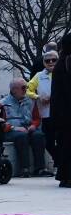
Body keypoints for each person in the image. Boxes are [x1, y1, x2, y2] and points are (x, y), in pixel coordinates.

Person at [0, 77, 48, 177]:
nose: (26, 89)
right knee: (21, 136)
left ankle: (40, 168)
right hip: (11, 131)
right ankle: (24, 169)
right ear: (14, 90)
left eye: (26, 87)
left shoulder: (30, 101)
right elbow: (0, 123)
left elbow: (37, 118)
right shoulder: (2, 103)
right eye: (23, 87)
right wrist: (14, 128)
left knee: (39, 135)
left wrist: (34, 126)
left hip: (27, 128)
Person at [29, 49, 60, 165]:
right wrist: (37, 97)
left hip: (62, 113)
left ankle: (61, 164)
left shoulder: (64, 73)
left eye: (54, 60)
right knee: (48, 142)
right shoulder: (39, 75)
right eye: (48, 60)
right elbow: (28, 89)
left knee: (63, 140)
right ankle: (59, 161)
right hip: (46, 113)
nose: (51, 62)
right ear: (44, 62)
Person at [50, 34, 71, 187]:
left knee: (64, 143)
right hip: (67, 110)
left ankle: (64, 176)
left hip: (61, 112)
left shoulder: (60, 63)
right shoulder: (68, 62)